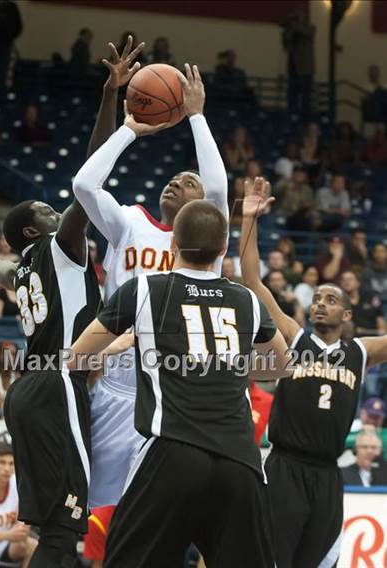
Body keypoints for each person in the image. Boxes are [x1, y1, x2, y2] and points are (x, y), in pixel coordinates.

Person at [0, 38, 143, 567]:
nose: (56, 210)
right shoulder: (59, 245)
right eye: (46, 209)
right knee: (67, 524)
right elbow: (91, 176)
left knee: (53, 528)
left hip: (29, 390)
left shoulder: (17, 267)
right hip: (57, 383)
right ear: (32, 229)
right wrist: (111, 98)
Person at [70, 198, 291, 567]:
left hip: (171, 451)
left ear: (172, 244)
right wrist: (231, 364)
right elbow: (282, 365)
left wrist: (123, 345)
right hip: (239, 460)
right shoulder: (247, 300)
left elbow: (77, 357)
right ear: (222, 249)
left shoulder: (143, 289)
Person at [73, 62, 229, 517]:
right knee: (96, 512)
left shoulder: (205, 245)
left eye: (189, 181)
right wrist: (127, 130)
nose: (177, 180)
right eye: (174, 177)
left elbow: (219, 188)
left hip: (174, 387)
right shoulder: (129, 224)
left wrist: (197, 116)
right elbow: (84, 183)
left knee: (155, 517)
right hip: (117, 383)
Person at [240, 176, 387, 568]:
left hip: (327, 474)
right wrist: (249, 220)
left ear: (348, 314)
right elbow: (252, 281)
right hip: (285, 466)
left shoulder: (359, 351)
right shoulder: (295, 337)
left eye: (331, 299)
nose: (321, 303)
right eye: (318, 298)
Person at [282, 9, 315, 116]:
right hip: (293, 67)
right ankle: (292, 114)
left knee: (305, 95)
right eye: (298, 15)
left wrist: (293, 24)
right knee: (292, 94)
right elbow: (286, 43)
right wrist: (289, 28)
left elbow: (307, 33)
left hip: (305, 68)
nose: (299, 17)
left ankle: (304, 115)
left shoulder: (310, 28)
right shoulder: (291, 29)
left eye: (301, 15)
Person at [339, 270, 386, 336]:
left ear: (358, 283)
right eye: (343, 280)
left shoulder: (370, 298)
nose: (346, 282)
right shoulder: (340, 303)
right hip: (352, 339)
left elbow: (380, 321)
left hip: (374, 338)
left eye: (350, 279)